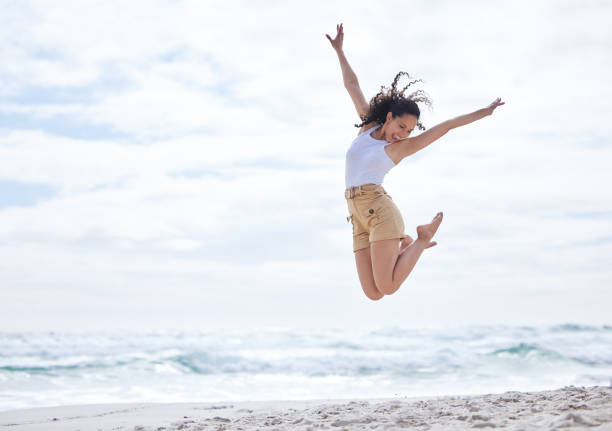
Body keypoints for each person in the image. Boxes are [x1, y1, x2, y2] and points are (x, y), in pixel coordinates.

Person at [326, 23, 505, 300]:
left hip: (378, 210)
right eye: (401, 126)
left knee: (388, 287)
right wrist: (340, 51)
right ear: (388, 118)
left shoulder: (399, 149)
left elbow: (445, 127)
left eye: (410, 131)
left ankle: (420, 239)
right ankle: (404, 242)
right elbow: (352, 85)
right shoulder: (367, 125)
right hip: (357, 215)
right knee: (373, 293)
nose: (403, 135)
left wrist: (485, 111)